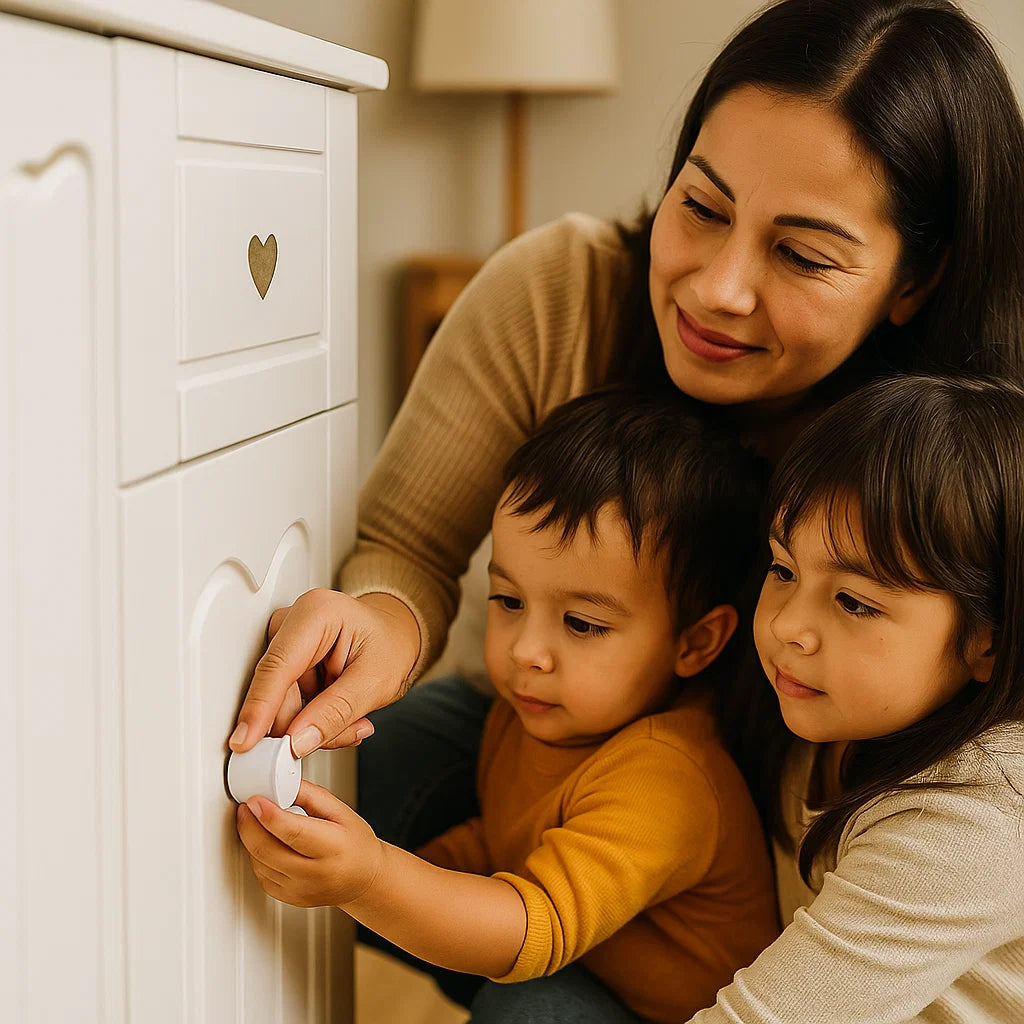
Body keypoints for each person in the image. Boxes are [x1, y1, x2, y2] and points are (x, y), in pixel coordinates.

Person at [229, 0, 1024, 1015]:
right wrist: (375, 628)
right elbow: (406, 543)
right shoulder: (561, 293)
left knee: (533, 1002)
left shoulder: (960, 473)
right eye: (703, 206)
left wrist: (394, 885)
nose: (718, 287)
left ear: (916, 280)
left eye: (801, 255)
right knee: (359, 763)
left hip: (760, 910)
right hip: (572, 773)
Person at [237, 389, 779, 1023]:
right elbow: (501, 839)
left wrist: (373, 878)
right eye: (510, 601)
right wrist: (391, 875)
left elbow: (534, 926)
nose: (526, 651)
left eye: (582, 624)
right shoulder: (534, 710)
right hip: (587, 966)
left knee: (529, 1009)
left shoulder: (667, 779)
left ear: (695, 642)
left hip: (671, 1016)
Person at [685, 373, 1024, 1021]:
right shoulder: (821, 708)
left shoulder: (980, 820)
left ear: (990, 640)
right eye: (783, 569)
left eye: (855, 602)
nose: (788, 625)